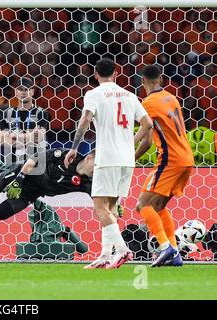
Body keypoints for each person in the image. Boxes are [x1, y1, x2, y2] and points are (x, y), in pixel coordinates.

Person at [66, 58, 153, 269]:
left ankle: (122, 250)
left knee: (100, 208)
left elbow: (86, 119)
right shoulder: (130, 95)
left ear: (95, 75)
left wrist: (75, 147)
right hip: (126, 160)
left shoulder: (94, 94)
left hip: (107, 158)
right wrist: (129, 143)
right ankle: (105, 255)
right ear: (116, 73)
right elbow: (148, 124)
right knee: (111, 208)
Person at [136, 65, 195, 267]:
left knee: (143, 205)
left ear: (142, 81)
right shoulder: (171, 97)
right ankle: (174, 253)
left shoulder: (148, 103)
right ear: (161, 79)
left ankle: (165, 248)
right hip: (186, 157)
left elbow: (146, 139)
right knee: (158, 206)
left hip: (170, 159)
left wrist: (130, 156)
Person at [0, 76, 50, 164]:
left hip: (35, 161)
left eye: (27, 89)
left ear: (32, 92)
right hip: (12, 161)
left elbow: (38, 138)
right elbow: (0, 140)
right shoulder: (7, 113)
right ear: (16, 92)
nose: (24, 92)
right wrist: (29, 136)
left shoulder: (41, 113)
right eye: (20, 89)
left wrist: (13, 136)